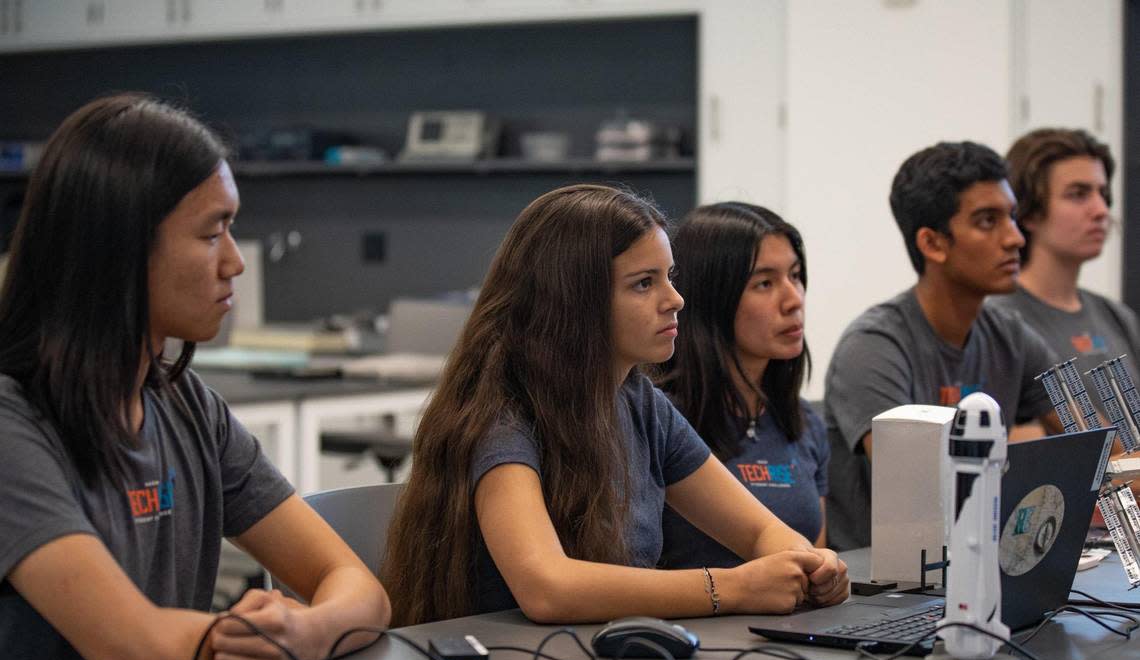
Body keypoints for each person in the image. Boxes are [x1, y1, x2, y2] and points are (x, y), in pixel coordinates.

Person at [0, 94, 390, 660]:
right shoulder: (12, 427)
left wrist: (305, 634)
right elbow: (140, 652)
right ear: (121, 251)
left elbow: (357, 586)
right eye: (213, 233)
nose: (234, 262)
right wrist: (267, 638)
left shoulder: (191, 408)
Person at [382, 184, 847, 627]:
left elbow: (758, 532)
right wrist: (731, 588)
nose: (676, 300)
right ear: (573, 301)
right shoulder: (504, 419)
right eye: (644, 284)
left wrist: (809, 561)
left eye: (670, 277)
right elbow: (547, 586)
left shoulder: (640, 403)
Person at [823, 141, 1060, 551]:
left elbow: (1100, 442)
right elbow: (920, 490)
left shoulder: (1011, 333)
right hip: (888, 589)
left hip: (979, 562)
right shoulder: (873, 346)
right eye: (988, 221)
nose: (1016, 238)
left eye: (1012, 217)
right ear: (933, 244)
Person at [656, 203, 828, 572]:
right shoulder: (658, 419)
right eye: (764, 283)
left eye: (795, 276)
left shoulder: (804, 422)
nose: (793, 299)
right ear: (711, 297)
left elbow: (816, 564)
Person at [991, 128, 1139, 379]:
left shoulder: (1118, 317)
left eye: (1102, 194)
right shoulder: (996, 321)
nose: (1101, 210)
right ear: (1029, 212)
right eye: (1078, 194)